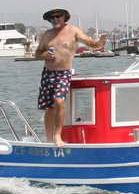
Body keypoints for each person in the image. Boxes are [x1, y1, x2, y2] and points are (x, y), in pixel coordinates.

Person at [34, 8, 107, 146]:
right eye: (52, 18)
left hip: (63, 73)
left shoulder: (73, 31)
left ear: (64, 17)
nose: (55, 19)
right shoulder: (47, 35)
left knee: (59, 101)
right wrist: (44, 55)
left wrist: (101, 42)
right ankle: (48, 138)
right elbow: (37, 54)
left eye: (58, 16)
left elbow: (92, 44)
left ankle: (57, 136)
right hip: (48, 73)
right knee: (48, 107)